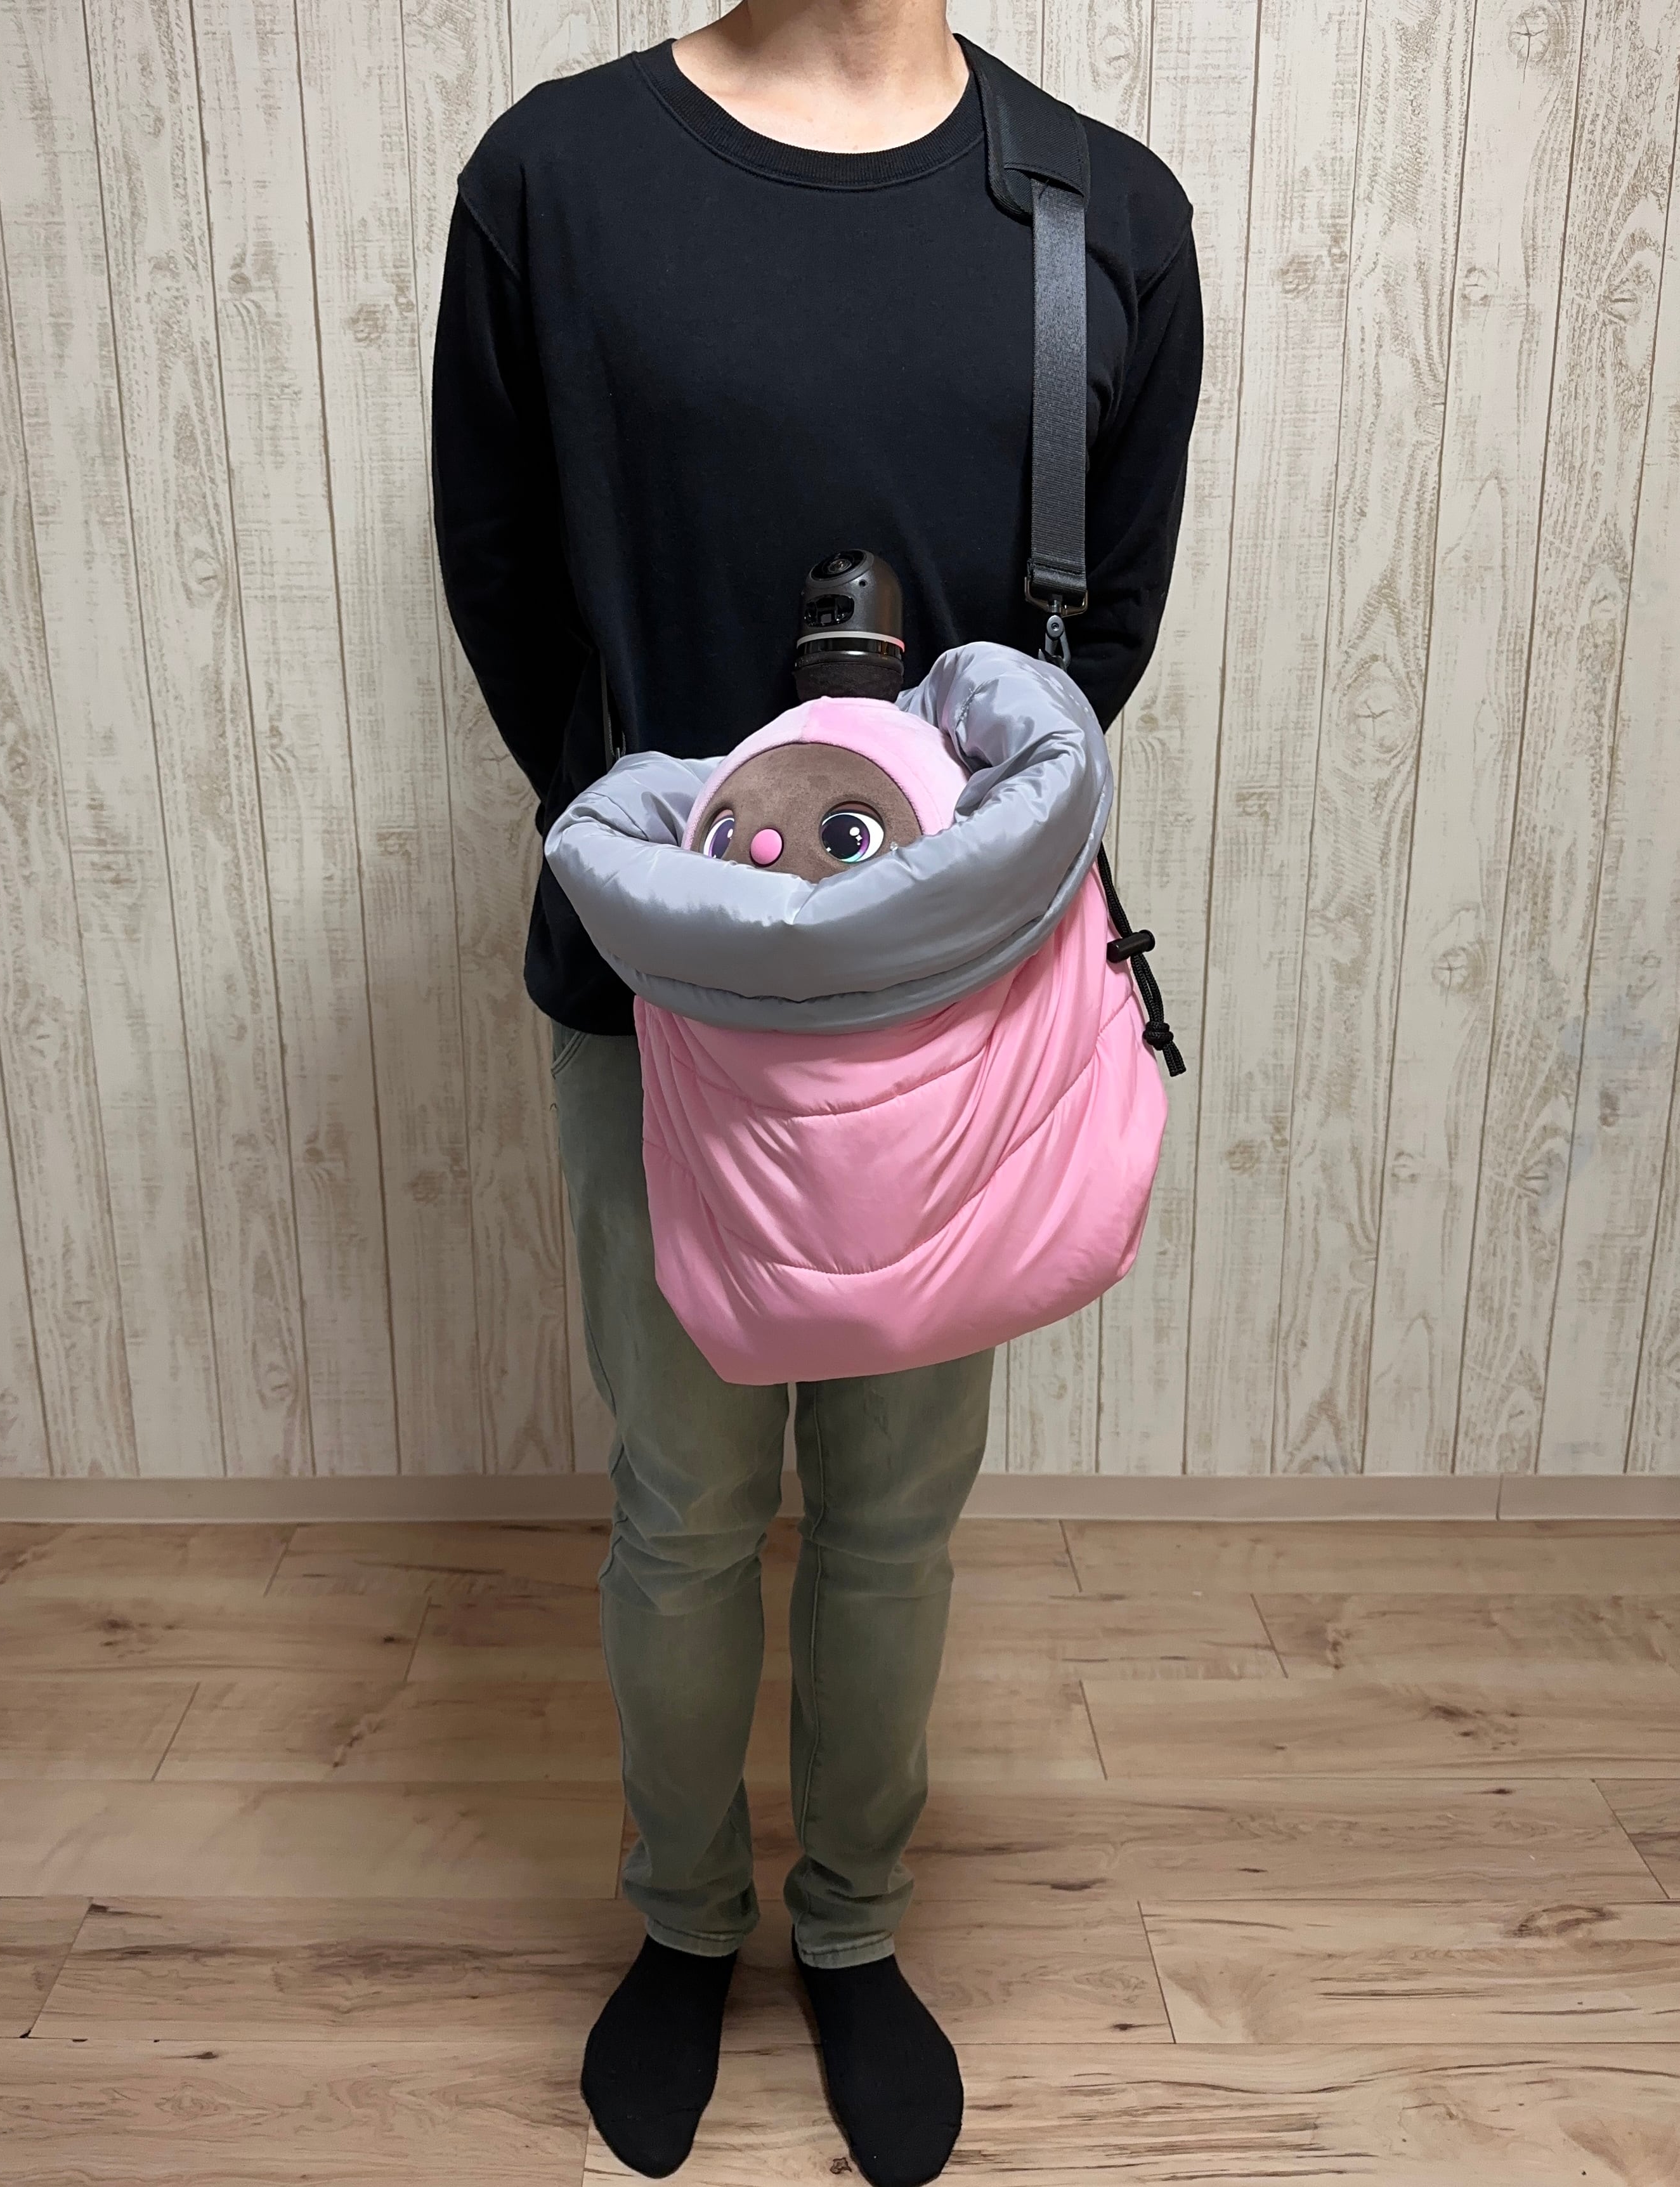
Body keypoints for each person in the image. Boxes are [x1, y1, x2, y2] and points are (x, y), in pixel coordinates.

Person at [431, 4, 1202, 2179]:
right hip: (660, 986)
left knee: (893, 1514)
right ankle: (684, 1919)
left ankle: (853, 1927)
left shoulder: (1102, 215)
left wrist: (901, 894)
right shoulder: (557, 182)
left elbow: (1097, 642)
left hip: (952, 1016)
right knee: (682, 1506)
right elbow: (504, 583)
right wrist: (691, 872)